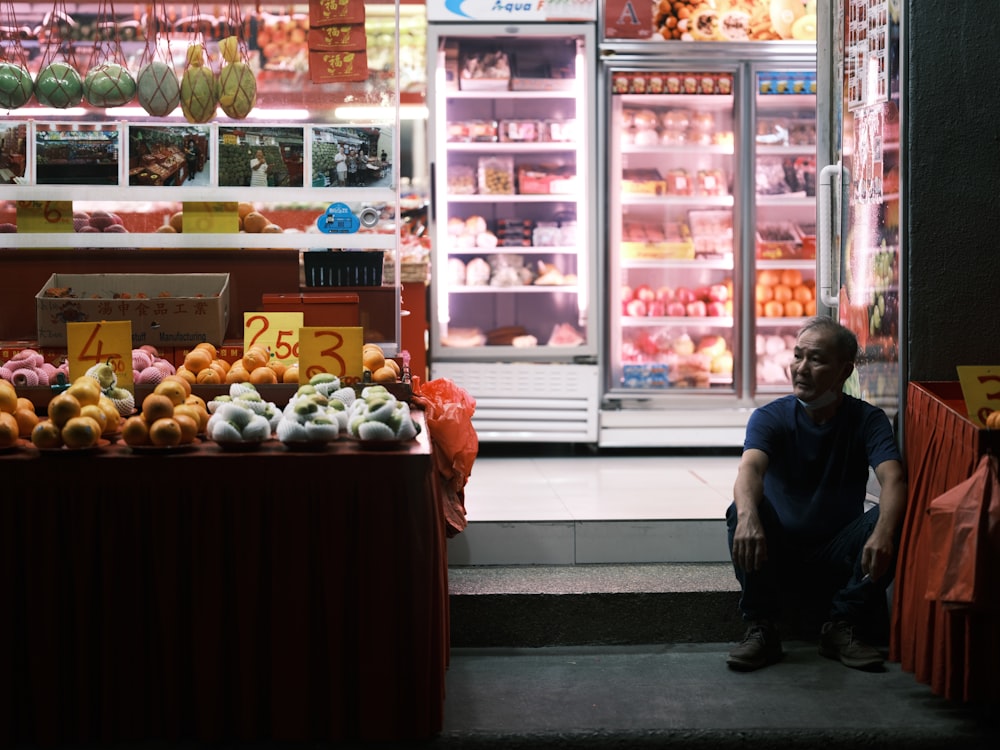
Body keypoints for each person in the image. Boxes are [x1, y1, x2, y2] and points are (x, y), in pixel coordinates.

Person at [726, 316, 905, 673]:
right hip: (779, 554)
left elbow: (894, 479)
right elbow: (750, 470)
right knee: (742, 508)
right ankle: (762, 627)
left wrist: (884, 533)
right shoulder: (770, 417)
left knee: (894, 517)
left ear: (844, 371)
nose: (801, 369)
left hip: (838, 555)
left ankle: (841, 626)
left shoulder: (867, 420)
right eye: (797, 356)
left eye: (817, 359)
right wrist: (748, 518)